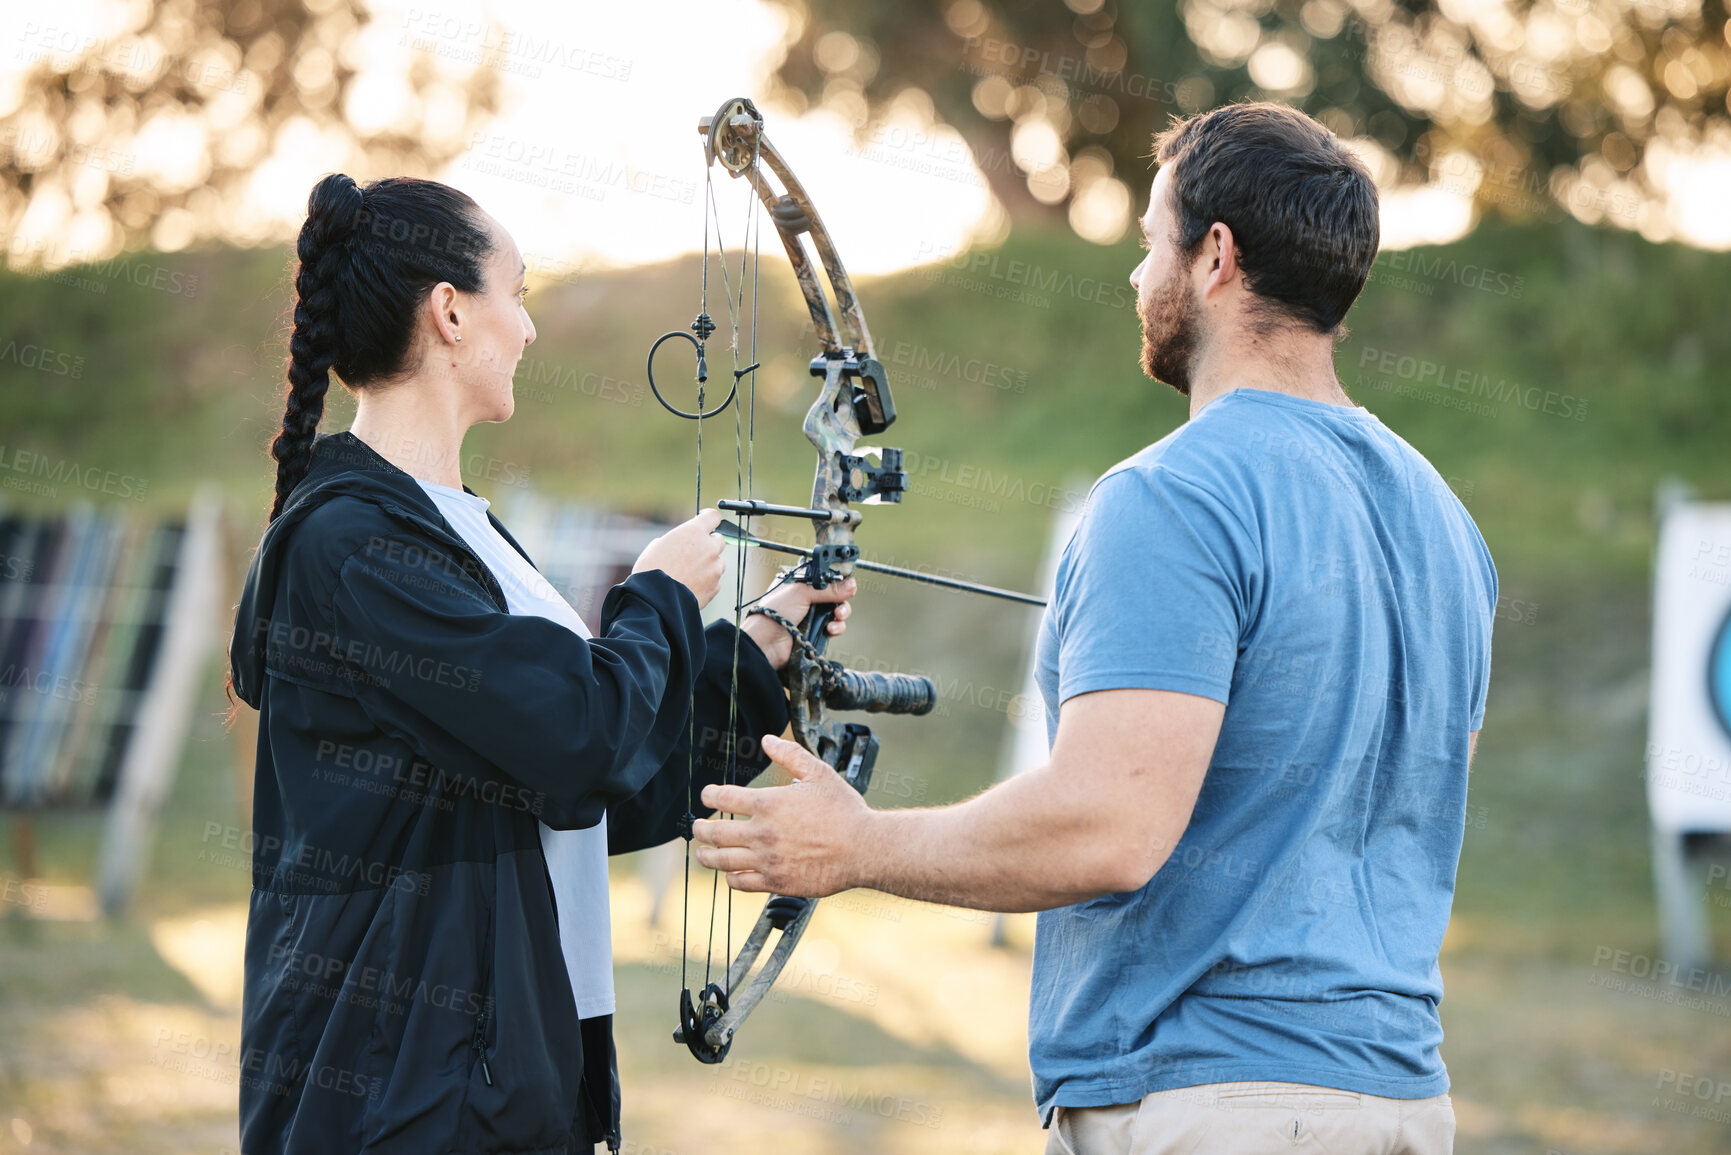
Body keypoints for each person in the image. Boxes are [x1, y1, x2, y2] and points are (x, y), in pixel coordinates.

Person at [692, 102, 1496, 1155]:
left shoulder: (1174, 496)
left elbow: (1106, 829)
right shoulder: (1443, 516)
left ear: (1215, 257)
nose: (1133, 276)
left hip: (1217, 1102)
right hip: (1399, 1101)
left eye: (1151, 239)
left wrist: (858, 846)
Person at [225, 172, 853, 1154]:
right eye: (516, 293)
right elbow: (574, 740)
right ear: (450, 313)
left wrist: (755, 650)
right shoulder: (351, 545)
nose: (527, 326)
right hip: (396, 1104)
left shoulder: (456, 536)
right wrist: (659, 596)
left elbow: (588, 786)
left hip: (493, 1087)